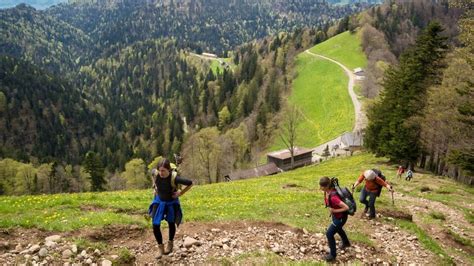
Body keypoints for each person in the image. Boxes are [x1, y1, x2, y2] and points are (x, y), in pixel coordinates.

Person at [148, 158, 193, 259]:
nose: (161, 173)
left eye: (163, 170)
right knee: (155, 224)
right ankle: (160, 248)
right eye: (159, 170)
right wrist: (154, 186)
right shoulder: (156, 174)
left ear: (169, 170)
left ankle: (170, 243)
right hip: (159, 201)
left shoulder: (174, 178)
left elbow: (190, 183)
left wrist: (180, 193)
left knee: (171, 223)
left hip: (171, 202)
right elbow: (152, 173)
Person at [319, 176, 351, 262]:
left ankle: (332, 255)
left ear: (326, 186)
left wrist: (334, 210)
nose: (320, 188)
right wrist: (332, 210)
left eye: (321, 186)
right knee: (338, 229)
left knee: (329, 234)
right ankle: (346, 243)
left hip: (340, 218)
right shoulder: (328, 192)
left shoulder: (333, 197)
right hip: (337, 216)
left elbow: (346, 207)